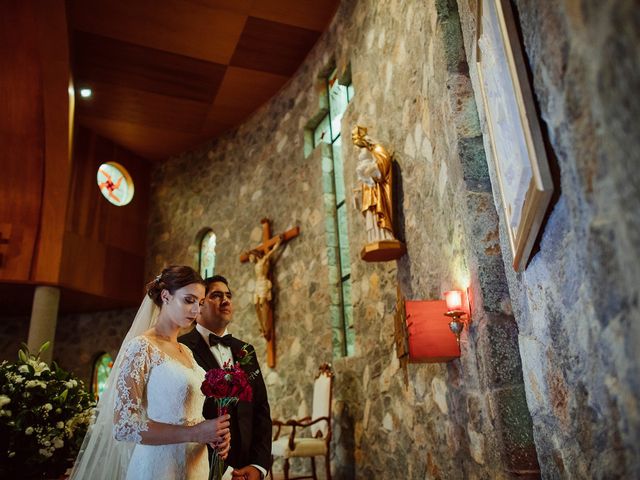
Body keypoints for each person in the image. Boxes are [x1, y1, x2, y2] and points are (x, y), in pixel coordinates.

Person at [70, 265, 231, 480]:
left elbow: (193, 415)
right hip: (158, 467)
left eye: (200, 303)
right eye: (189, 300)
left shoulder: (187, 352)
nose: (196, 310)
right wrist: (194, 433)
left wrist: (213, 434)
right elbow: (124, 426)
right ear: (166, 296)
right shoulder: (141, 347)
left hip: (195, 465)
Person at [179, 275, 272, 480]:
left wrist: (258, 466)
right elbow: (181, 416)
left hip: (248, 468)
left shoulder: (246, 350)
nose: (226, 300)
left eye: (228, 295)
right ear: (199, 306)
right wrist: (222, 471)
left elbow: (261, 410)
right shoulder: (181, 349)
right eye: (217, 295)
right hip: (202, 467)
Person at [352, 125, 396, 243]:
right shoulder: (365, 154)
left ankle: (384, 234)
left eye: (357, 145)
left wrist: (372, 169)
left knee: (377, 207)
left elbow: (383, 162)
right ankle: (374, 237)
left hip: (375, 185)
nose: (356, 149)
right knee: (370, 211)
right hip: (367, 186)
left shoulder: (375, 150)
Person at [246, 235, 282, 341]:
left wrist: (278, 243)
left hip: (264, 283)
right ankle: (262, 327)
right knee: (256, 305)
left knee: (263, 303)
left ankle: (267, 328)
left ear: (255, 255)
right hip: (258, 284)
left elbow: (272, 251)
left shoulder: (263, 261)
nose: (250, 260)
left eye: (251, 257)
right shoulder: (256, 265)